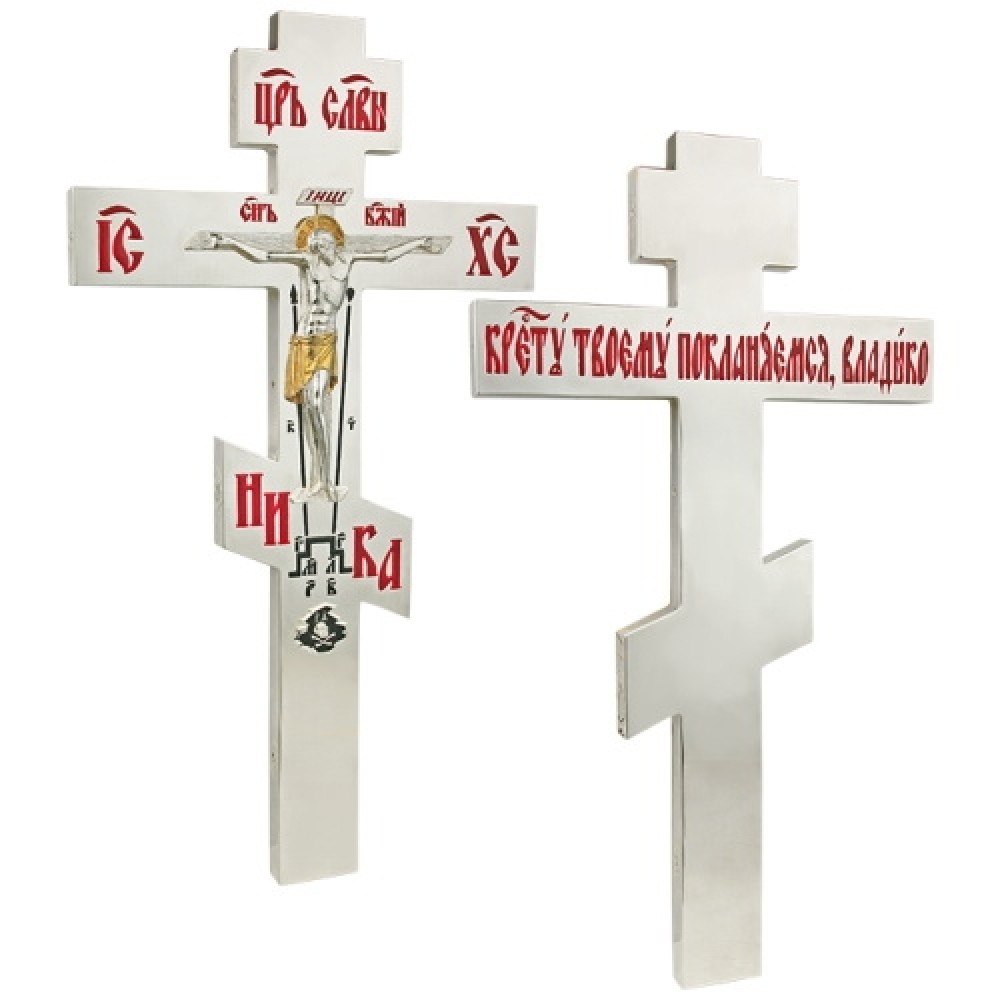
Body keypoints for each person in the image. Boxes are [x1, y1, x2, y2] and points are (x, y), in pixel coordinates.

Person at [203, 214, 439, 501]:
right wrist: (227, 242)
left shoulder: (347, 261)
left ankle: (327, 482)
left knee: (316, 404)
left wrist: (419, 243)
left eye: (323, 244)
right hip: (303, 343)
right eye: (314, 245)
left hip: (326, 343)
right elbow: (264, 256)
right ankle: (317, 481)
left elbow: (386, 255)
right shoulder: (308, 262)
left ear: (334, 243)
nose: (318, 250)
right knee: (308, 411)